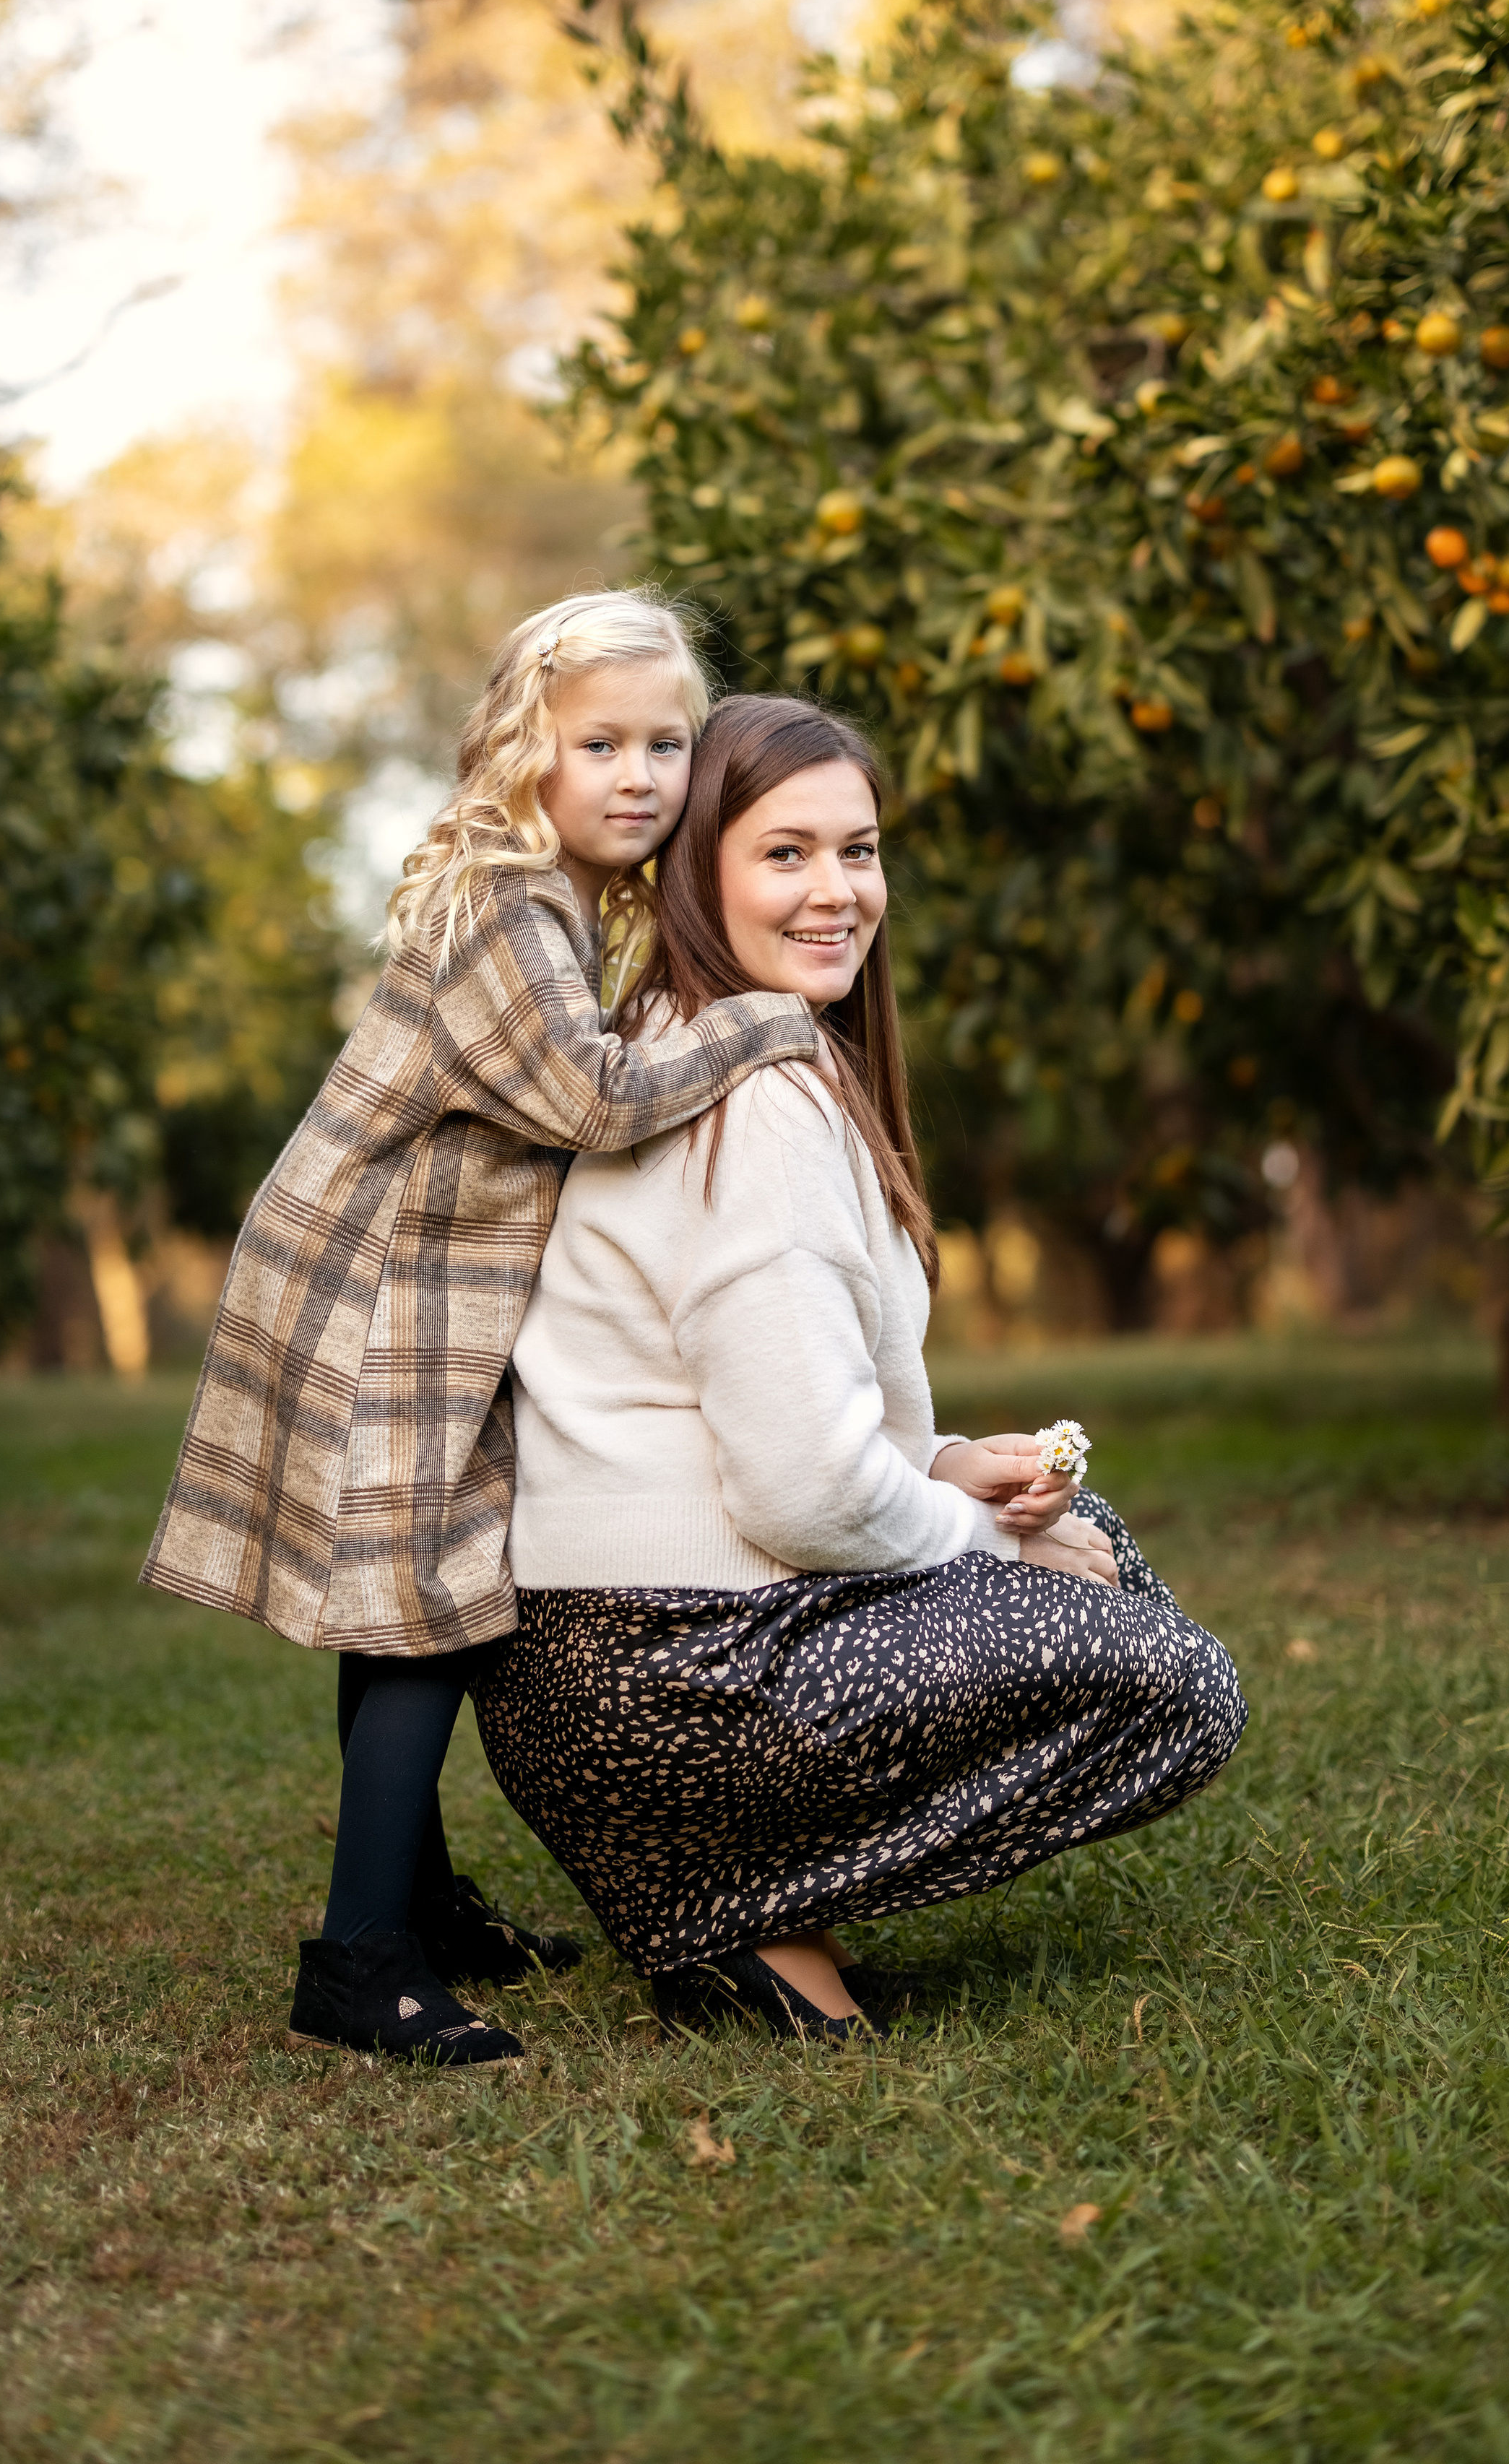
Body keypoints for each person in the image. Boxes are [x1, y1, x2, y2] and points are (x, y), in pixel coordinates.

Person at [474, 694, 1248, 2037]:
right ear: (695, 871)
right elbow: (803, 1494)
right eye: (786, 854)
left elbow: (762, 1408)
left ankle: (754, 1913)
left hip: (600, 1664)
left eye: (860, 850)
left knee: (1093, 1545)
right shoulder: (754, 1101)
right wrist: (983, 1540)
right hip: (667, 1674)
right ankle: (725, 1907)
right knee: (1179, 1685)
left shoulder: (701, 1045)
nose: (837, 891)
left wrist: (946, 1467)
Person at [140, 597, 823, 2065]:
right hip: (378, 1284)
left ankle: (420, 1903)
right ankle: (359, 1963)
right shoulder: (511, 904)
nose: (639, 777)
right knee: (427, 1615)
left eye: (665, 745)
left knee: (396, 1593)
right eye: (600, 745)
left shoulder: (556, 894)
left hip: (411, 1279)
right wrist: (764, 1019)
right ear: (528, 750)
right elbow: (590, 1099)